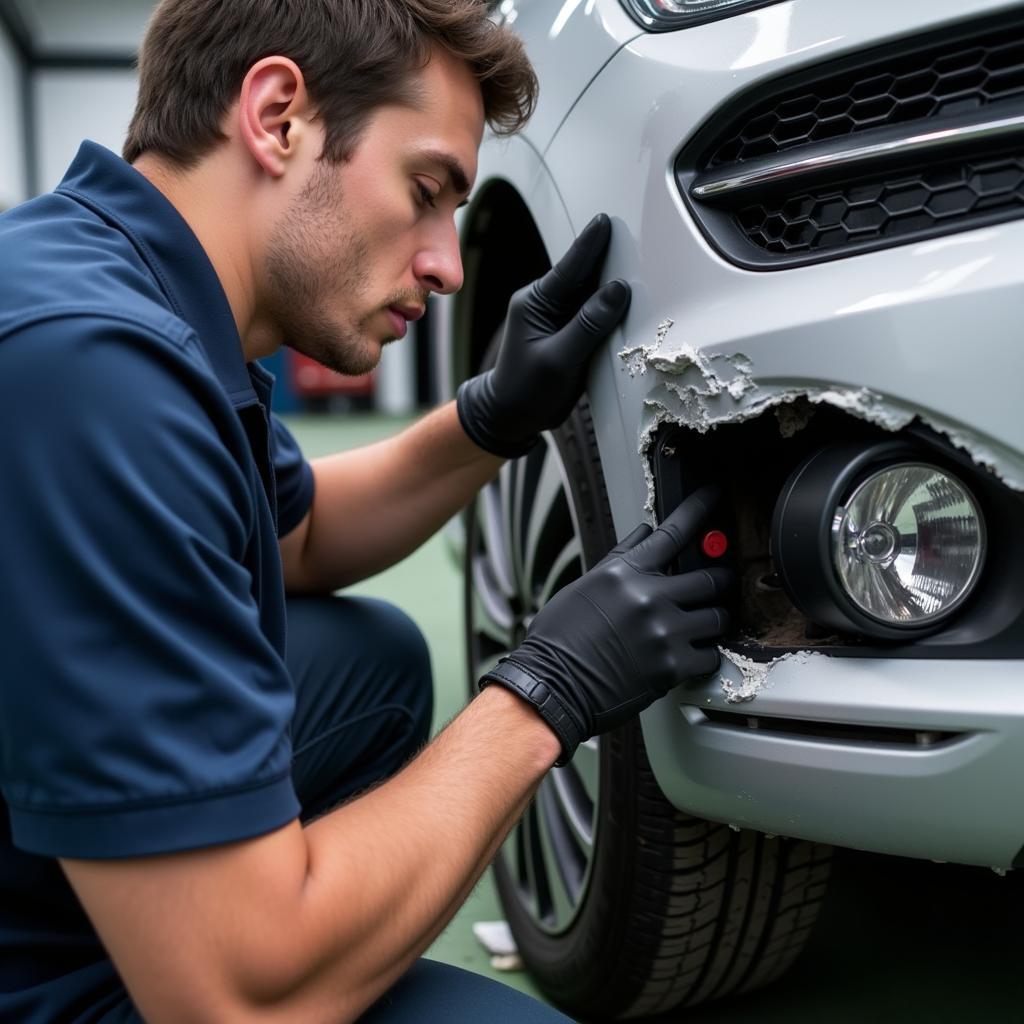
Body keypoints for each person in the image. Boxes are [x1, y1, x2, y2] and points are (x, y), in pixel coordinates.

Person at [0, 1, 731, 1021]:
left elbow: (297, 537)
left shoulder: (139, 292)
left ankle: (190, 897)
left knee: (370, 661)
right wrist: (546, 692)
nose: (447, 264)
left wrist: (489, 420)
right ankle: (173, 933)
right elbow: (231, 1005)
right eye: (425, 191)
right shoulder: (93, 379)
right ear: (277, 116)